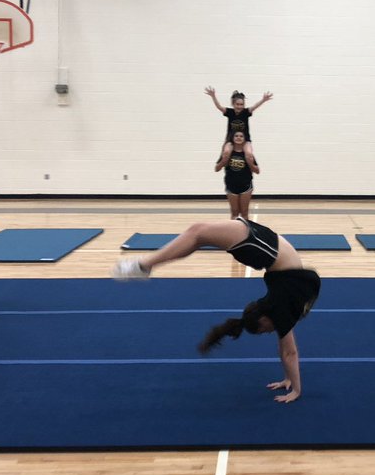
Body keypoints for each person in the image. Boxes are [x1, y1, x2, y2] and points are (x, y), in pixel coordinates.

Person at [112, 218, 321, 404]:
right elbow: (289, 352)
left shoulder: (279, 309)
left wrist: (288, 379)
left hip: (268, 247)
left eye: (264, 331)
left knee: (198, 232)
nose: (270, 332)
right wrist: (296, 389)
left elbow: (286, 351)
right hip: (267, 249)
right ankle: (143, 265)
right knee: (197, 233)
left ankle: (145, 265)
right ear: (264, 318)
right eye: (266, 331)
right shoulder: (280, 312)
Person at [204, 87, 273, 168]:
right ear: (233, 104)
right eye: (237, 104)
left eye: (241, 104)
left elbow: (255, 106)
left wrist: (263, 100)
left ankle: (251, 169)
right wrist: (213, 96)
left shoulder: (246, 112)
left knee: (249, 153)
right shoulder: (230, 112)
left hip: (245, 139)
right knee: (226, 151)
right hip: (230, 138)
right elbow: (219, 107)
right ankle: (224, 166)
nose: (239, 106)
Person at [215, 130, 260, 219]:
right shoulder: (227, 153)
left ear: (244, 139)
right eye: (236, 136)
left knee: (244, 212)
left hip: (245, 185)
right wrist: (224, 160)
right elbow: (217, 169)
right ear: (232, 138)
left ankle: (245, 232)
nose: (239, 138)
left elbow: (257, 171)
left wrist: (250, 162)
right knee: (234, 212)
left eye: (241, 136)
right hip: (231, 185)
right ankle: (234, 232)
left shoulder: (248, 154)